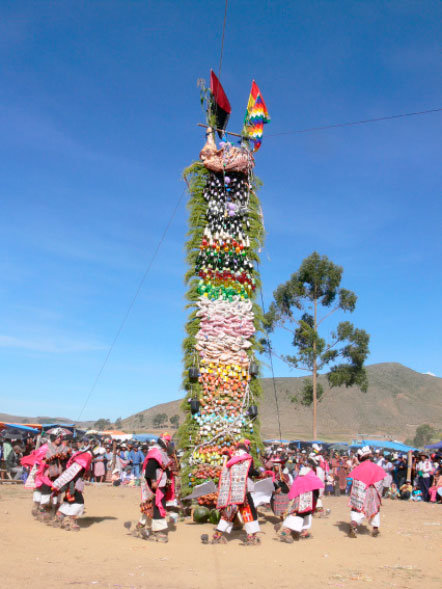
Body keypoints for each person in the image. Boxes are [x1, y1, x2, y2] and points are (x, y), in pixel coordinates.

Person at [210, 439, 261, 546]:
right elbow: (250, 471)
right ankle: (251, 536)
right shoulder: (247, 458)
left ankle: (217, 535)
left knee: (228, 513)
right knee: (247, 511)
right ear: (247, 447)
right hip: (243, 491)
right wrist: (258, 473)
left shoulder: (231, 458)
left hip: (230, 491)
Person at [136, 433, 175, 542]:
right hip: (153, 482)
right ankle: (158, 530)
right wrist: (153, 482)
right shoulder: (156, 453)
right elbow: (150, 468)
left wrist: (167, 486)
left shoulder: (164, 454)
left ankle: (141, 525)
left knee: (153, 504)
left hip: (161, 483)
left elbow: (167, 471)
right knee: (157, 504)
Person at [51, 437, 95, 531]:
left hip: (71, 483)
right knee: (79, 502)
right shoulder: (84, 459)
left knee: (69, 500)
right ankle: (70, 522)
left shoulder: (81, 457)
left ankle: (58, 517)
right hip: (73, 484)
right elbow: (73, 473)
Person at [278, 464, 323, 543]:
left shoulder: (298, 479)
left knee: (299, 515)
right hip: (307, 502)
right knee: (302, 516)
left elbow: (292, 494)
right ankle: (288, 532)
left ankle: (300, 532)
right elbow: (317, 492)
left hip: (298, 501)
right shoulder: (312, 479)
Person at [348, 446, 385, 538]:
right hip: (373, 491)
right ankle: (375, 529)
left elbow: (354, 482)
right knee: (375, 509)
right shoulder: (377, 468)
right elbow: (381, 481)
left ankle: (354, 525)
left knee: (357, 509)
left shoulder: (358, 468)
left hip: (361, 492)